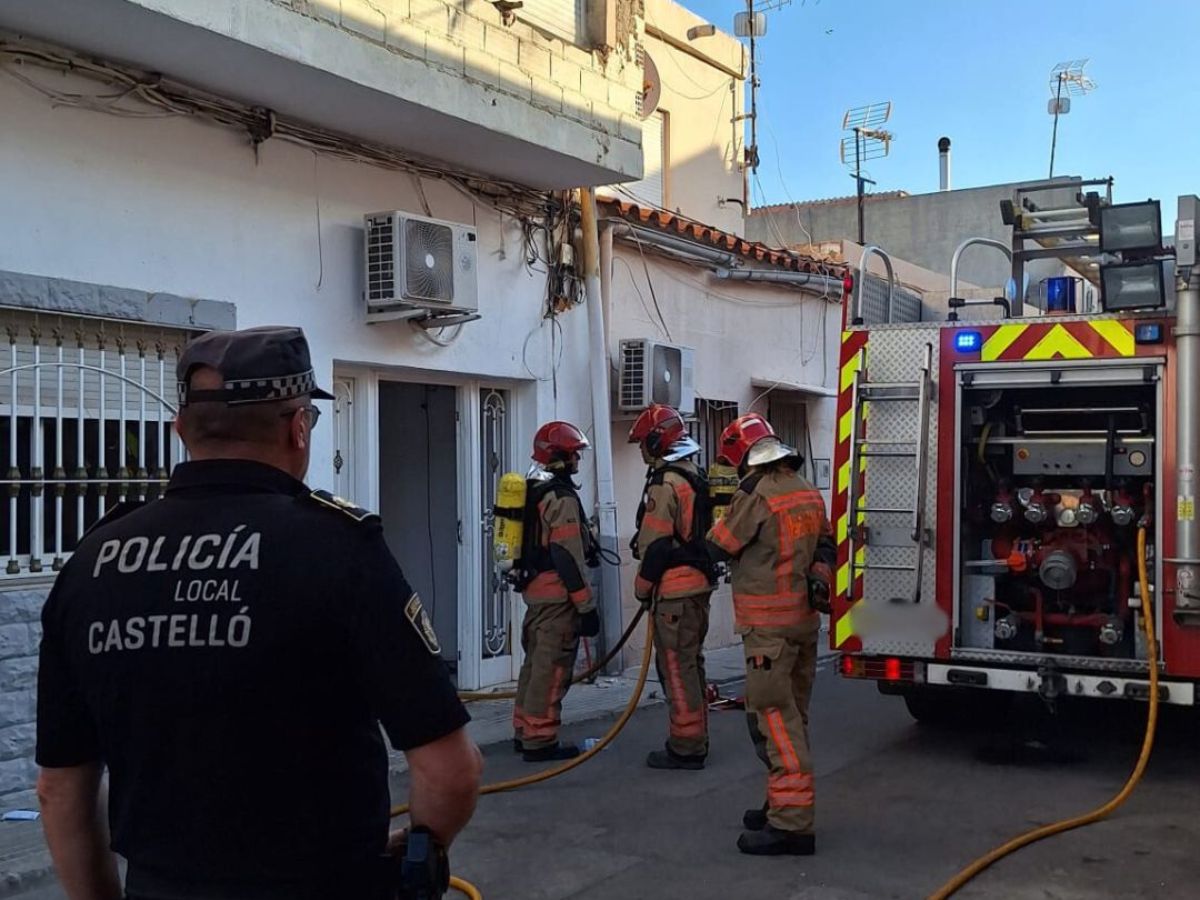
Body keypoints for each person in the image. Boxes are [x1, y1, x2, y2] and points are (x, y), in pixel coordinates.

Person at [35, 325, 483, 900]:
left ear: (181, 430)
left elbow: (59, 789)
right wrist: (420, 850)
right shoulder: (340, 549)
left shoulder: (92, 561)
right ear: (298, 428)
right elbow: (451, 772)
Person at [706, 413, 835, 857]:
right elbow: (826, 544)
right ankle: (780, 802)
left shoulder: (756, 492)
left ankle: (792, 824)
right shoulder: (805, 488)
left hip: (769, 632)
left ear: (745, 457)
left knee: (775, 720)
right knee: (794, 717)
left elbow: (721, 542)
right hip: (802, 626)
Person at [627, 404, 715, 770]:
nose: (641, 452)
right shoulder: (695, 474)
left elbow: (658, 544)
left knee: (676, 669)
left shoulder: (666, 484)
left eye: (642, 444)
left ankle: (686, 746)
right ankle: (695, 736)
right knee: (691, 664)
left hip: (675, 592)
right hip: (697, 588)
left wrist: (642, 587)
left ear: (656, 441)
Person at [511, 421, 602, 762]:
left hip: (536, 594)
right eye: (575, 454)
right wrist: (585, 606)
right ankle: (540, 739)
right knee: (551, 670)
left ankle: (523, 730)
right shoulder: (560, 498)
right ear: (561, 456)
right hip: (557, 597)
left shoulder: (534, 488)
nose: (578, 461)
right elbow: (567, 556)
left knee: (534, 665)